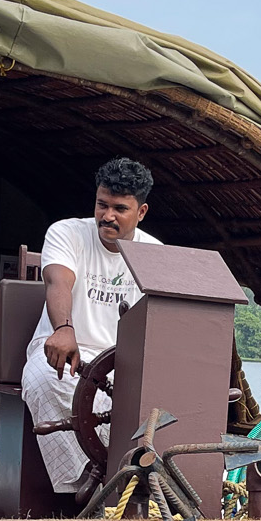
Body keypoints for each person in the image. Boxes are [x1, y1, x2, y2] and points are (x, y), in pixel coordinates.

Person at [20, 158, 162, 495]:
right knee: (46, 379)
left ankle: (123, 485)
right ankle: (89, 484)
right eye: (102, 205)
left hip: (121, 362)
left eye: (119, 209)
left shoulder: (154, 253)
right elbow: (58, 281)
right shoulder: (67, 232)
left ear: (141, 212)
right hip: (65, 347)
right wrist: (64, 328)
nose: (107, 216)